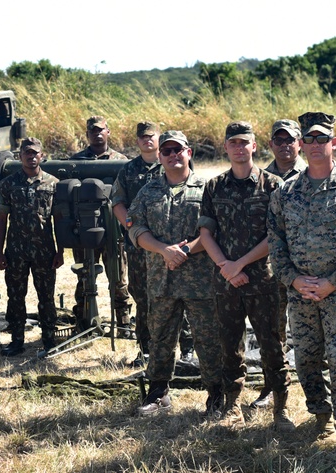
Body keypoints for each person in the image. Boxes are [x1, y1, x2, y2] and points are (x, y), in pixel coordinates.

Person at [267, 112, 336, 456]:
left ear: (333, 143)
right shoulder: (285, 193)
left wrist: (332, 282)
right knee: (307, 360)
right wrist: (294, 280)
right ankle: (321, 415)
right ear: (301, 145)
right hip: (300, 294)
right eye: (308, 140)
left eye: (321, 139)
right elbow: (276, 243)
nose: (315, 145)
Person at [199, 121, 292, 430]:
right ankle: (231, 405)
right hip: (226, 283)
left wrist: (239, 264)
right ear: (226, 148)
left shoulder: (273, 185)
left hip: (264, 281)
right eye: (233, 143)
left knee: (272, 345)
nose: (239, 148)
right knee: (229, 345)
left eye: (244, 142)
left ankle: (281, 409)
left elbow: (276, 235)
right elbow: (206, 233)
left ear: (254, 147)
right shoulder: (214, 186)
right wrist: (227, 266)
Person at [128, 131, 223, 418]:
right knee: (160, 337)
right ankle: (159, 394)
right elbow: (136, 230)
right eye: (167, 151)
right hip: (161, 278)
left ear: (189, 152)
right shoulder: (148, 192)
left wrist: (185, 252)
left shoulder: (206, 188)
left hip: (200, 280)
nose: (172, 155)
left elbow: (213, 229)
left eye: (177, 150)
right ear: (160, 156)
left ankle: (216, 396)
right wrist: (163, 251)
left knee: (208, 338)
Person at [111, 121, 195, 366]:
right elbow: (118, 202)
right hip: (143, 249)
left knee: (184, 295)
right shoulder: (128, 170)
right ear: (137, 141)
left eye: (152, 136)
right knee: (144, 298)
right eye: (142, 137)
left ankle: (187, 349)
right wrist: (133, 228)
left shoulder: (175, 162)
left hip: (180, 247)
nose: (147, 140)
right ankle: (147, 348)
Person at [0, 137, 63, 356]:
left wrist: (60, 251)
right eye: (27, 153)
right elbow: (1, 219)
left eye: (35, 153)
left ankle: (49, 340)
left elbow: (59, 220)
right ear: (20, 156)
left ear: (42, 155)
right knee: (15, 296)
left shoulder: (53, 184)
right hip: (16, 251)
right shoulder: (9, 184)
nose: (31, 157)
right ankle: (16, 340)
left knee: (46, 296)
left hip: (44, 251)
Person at [255, 118, 306, 410]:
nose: (285, 145)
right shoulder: (261, 179)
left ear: (299, 143)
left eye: (290, 140)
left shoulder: (313, 172)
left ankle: (322, 387)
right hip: (271, 267)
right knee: (272, 330)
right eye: (279, 140)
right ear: (271, 144)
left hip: (308, 265)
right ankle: (271, 387)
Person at [70, 115, 131, 331]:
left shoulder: (121, 162)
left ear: (108, 132)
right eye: (92, 131)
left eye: (101, 130)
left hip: (114, 229)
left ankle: (123, 324)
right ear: (87, 135)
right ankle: (84, 322)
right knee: (84, 277)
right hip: (86, 228)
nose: (97, 134)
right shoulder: (76, 162)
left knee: (119, 279)